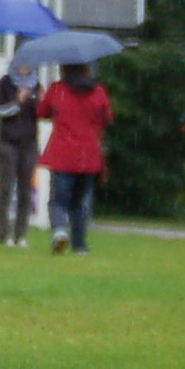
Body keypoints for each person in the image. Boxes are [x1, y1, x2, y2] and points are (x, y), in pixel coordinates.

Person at [37, 63, 113, 255]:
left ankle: (60, 230)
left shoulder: (58, 89)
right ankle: (80, 246)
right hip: (89, 155)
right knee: (79, 203)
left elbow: (42, 112)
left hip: (63, 153)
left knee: (58, 201)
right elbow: (107, 118)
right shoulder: (98, 90)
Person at [0, 56, 41, 246]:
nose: (25, 67)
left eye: (28, 64)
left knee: (25, 190)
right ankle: (4, 234)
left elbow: (42, 113)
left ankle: (21, 235)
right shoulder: (5, 83)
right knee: (5, 188)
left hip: (29, 144)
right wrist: (18, 102)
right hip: (7, 143)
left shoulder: (37, 86)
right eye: (21, 64)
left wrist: (41, 103)